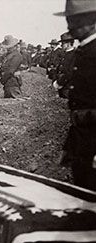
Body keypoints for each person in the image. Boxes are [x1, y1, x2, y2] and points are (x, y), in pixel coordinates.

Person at [55, 0, 96, 190]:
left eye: (77, 20)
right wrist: (70, 146)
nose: (70, 25)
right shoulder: (84, 50)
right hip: (82, 140)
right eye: (70, 19)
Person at [53, 32, 76, 99]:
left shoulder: (74, 55)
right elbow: (58, 69)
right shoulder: (64, 54)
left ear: (68, 44)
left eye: (63, 43)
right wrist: (55, 81)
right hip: (61, 86)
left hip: (67, 87)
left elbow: (70, 73)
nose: (61, 45)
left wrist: (59, 83)